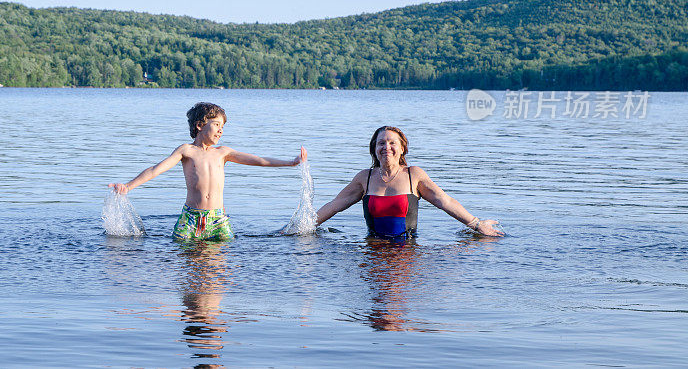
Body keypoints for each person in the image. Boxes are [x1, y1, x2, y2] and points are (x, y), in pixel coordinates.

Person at [109, 102, 306, 241]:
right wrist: (128, 186)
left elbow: (260, 161)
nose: (221, 130)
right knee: (185, 257)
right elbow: (156, 169)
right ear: (200, 125)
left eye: (223, 126)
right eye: (217, 125)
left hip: (218, 219)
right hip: (191, 218)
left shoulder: (223, 153)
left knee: (221, 260)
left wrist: (290, 163)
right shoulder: (186, 151)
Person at [315, 126, 504, 238]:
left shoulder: (415, 175)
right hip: (372, 250)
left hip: (407, 252)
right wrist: (301, 227)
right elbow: (334, 206)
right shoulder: (365, 178)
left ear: (402, 148)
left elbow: (445, 202)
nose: (386, 147)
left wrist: (478, 225)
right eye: (381, 143)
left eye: (392, 143)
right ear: (374, 149)